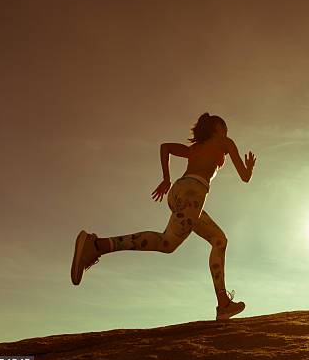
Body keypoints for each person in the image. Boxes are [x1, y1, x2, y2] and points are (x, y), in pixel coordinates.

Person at [70, 112, 256, 320]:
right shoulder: (224, 142)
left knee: (218, 240)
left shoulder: (194, 149)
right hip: (194, 193)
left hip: (179, 192)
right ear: (217, 129)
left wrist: (166, 178)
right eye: (225, 129)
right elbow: (245, 177)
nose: (227, 133)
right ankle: (96, 246)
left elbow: (165, 147)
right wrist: (248, 168)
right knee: (167, 243)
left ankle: (223, 304)